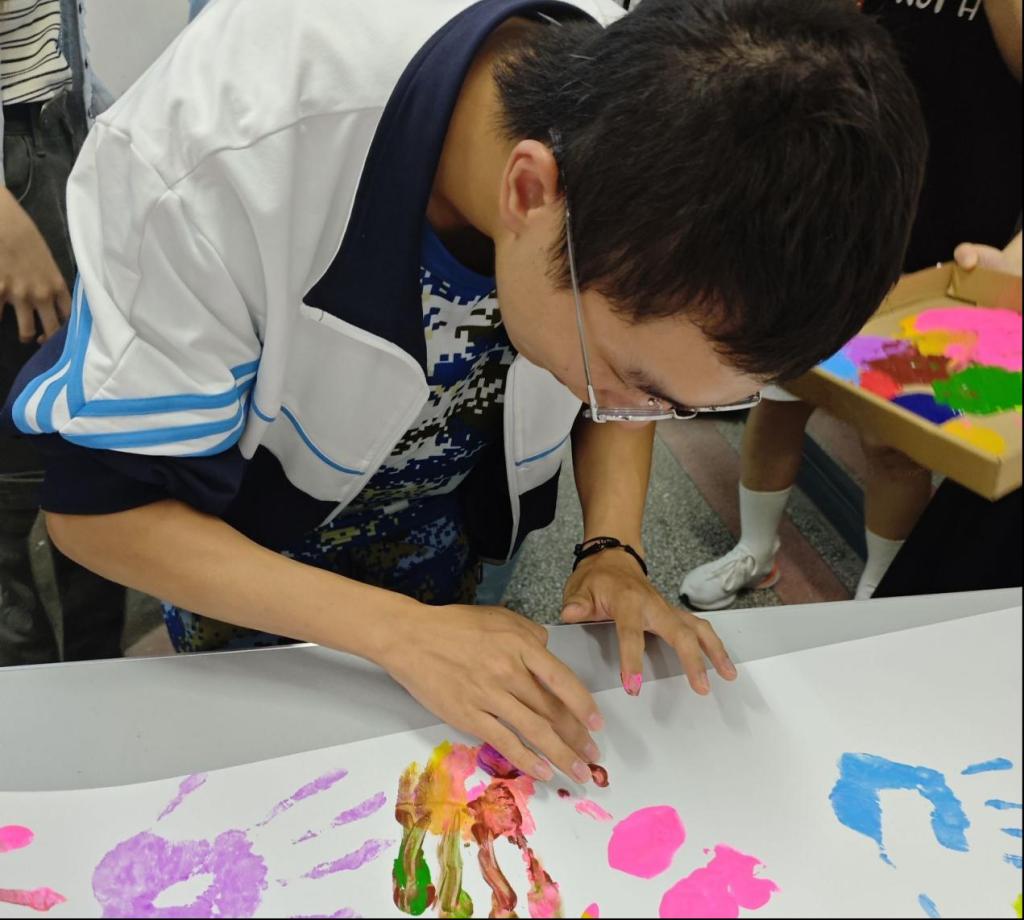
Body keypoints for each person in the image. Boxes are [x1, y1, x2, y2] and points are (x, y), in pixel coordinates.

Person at [3, 0, 926, 782]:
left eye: (682, 410)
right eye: (631, 380)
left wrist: (612, 545)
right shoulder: (218, 151)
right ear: (529, 193)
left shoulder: (637, 119)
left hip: (454, 538)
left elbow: (641, 377)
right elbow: (101, 512)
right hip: (245, 573)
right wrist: (400, 634)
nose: (634, 415)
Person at [680, 0, 1022, 611]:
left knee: (894, 439)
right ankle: (755, 549)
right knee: (780, 391)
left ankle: (879, 594)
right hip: (845, 195)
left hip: (956, 218)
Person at [0, 0, 124, 665]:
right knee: (17, 490)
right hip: (14, 172)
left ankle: (94, 690)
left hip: (63, 138)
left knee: (94, 454)